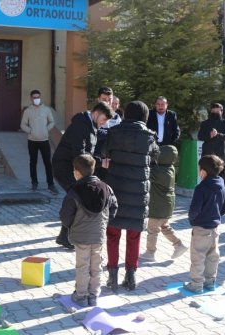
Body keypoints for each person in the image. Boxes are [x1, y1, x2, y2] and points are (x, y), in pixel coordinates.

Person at [102, 101, 159, 292]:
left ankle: (112, 276)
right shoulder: (149, 136)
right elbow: (156, 158)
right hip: (138, 192)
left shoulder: (114, 132)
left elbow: (105, 154)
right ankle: (131, 275)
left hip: (116, 189)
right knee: (134, 235)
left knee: (113, 234)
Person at [51, 101, 114, 249]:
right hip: (66, 167)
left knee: (76, 199)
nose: (104, 124)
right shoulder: (81, 125)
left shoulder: (90, 125)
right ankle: (65, 236)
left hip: (75, 167)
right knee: (77, 199)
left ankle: (64, 236)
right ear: (96, 114)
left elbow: (87, 152)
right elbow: (79, 155)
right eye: (104, 119)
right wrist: (100, 162)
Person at [60, 154, 117, 307]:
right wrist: (104, 223)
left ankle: (81, 295)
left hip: (81, 236)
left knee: (82, 266)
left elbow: (65, 216)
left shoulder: (74, 191)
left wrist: (72, 226)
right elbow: (114, 208)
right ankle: (93, 295)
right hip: (98, 235)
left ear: (77, 172)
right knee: (96, 265)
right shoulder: (106, 187)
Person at [183, 155, 225, 293]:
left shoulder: (201, 188)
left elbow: (194, 210)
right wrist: (215, 216)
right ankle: (210, 282)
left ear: (203, 171)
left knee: (198, 257)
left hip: (201, 229)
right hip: (215, 228)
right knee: (212, 256)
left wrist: (193, 220)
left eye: (199, 169)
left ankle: (196, 285)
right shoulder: (221, 185)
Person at [139, 145, 188, 262]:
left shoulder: (158, 171)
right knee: (165, 227)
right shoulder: (170, 168)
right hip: (166, 205)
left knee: (152, 229)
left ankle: (150, 252)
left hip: (158, 207)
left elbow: (145, 170)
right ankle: (179, 245)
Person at [20, 89, 58, 193]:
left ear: (40, 97)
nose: (36, 99)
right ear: (31, 98)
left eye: (38, 97)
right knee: (33, 162)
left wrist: (46, 129)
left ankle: (51, 184)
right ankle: (34, 183)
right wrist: (30, 130)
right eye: (34, 97)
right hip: (32, 140)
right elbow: (23, 124)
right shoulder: (28, 111)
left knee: (47, 163)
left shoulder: (46, 110)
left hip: (44, 140)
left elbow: (52, 122)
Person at [198, 103, 225, 177]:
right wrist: (210, 135)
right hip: (207, 155)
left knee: (220, 178)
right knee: (205, 178)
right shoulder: (204, 123)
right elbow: (200, 137)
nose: (215, 113)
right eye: (213, 111)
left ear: (221, 112)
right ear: (211, 111)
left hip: (220, 156)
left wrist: (217, 134)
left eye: (217, 111)